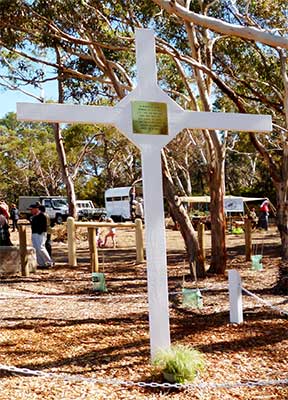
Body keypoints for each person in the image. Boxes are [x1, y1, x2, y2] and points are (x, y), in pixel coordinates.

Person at [30, 203, 53, 268]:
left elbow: (44, 226)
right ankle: (41, 263)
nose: (31, 211)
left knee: (41, 248)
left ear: (36, 209)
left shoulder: (42, 215)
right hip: (34, 233)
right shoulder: (34, 216)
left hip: (40, 234)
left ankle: (49, 262)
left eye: (32, 209)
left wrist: (40, 232)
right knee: (36, 249)